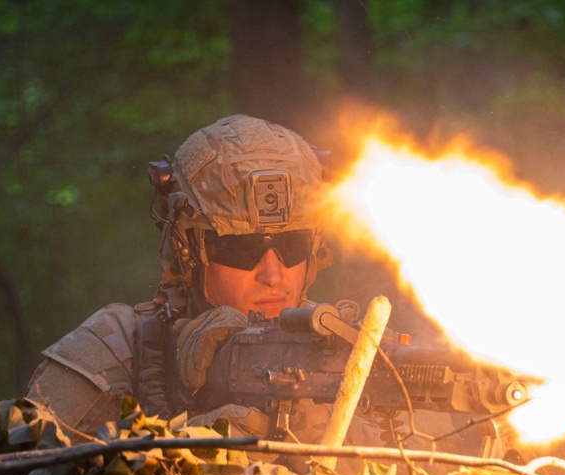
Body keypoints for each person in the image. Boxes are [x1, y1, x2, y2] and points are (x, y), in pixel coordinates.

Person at [26, 115, 339, 446]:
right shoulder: (115, 349)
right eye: (242, 250)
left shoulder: (346, 354)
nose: (273, 275)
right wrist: (183, 447)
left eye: (292, 245)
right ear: (188, 251)